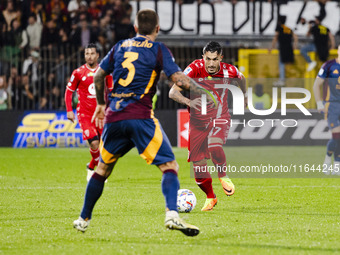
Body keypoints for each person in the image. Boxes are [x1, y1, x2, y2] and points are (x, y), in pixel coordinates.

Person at [73, 9, 202, 236]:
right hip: (140, 116)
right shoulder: (159, 49)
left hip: (114, 117)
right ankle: (172, 214)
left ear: (135, 28)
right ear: (157, 29)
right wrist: (205, 91)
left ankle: (83, 219)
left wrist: (101, 104)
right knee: (170, 166)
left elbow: (98, 75)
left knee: (102, 169)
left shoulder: (120, 46)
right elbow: (178, 79)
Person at [169, 41, 247, 211]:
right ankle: (211, 197)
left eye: (215, 59)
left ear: (221, 58)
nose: (211, 64)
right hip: (198, 122)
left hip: (220, 116)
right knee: (198, 166)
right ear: (202, 57)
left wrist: (245, 95)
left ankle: (222, 174)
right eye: (208, 59)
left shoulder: (229, 70)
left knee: (213, 143)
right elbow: (173, 92)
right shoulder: (194, 69)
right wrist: (190, 102)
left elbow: (242, 79)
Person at [65, 44, 103, 181]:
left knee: (104, 148)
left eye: (92, 53)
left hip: (101, 115)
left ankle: (91, 166)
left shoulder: (104, 71)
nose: (89, 56)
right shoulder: (78, 72)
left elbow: (111, 90)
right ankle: (99, 172)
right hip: (85, 114)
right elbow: (69, 92)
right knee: (94, 143)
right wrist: (69, 110)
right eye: (87, 54)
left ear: (97, 55)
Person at [313, 44, 340, 175]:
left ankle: (337, 166)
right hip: (332, 104)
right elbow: (316, 84)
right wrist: (319, 103)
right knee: (336, 136)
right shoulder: (328, 66)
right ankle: (327, 160)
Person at [269, 15, 298, 86]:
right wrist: (294, 46)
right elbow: (295, 37)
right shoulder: (288, 28)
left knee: (281, 64)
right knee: (289, 63)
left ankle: (282, 80)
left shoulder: (279, 28)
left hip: (283, 48)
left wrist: (271, 47)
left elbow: (275, 37)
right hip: (289, 48)